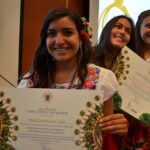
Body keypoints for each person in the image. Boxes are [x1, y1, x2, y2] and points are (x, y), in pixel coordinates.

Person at [17, 7, 126, 149]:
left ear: (81, 39)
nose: (59, 41)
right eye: (52, 34)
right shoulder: (31, 78)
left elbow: (105, 133)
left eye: (67, 33)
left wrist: (117, 127)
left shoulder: (102, 78)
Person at [90, 14, 150, 150]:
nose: (122, 32)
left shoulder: (133, 69)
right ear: (107, 29)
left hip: (120, 136)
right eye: (118, 26)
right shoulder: (86, 58)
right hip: (88, 131)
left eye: (128, 31)